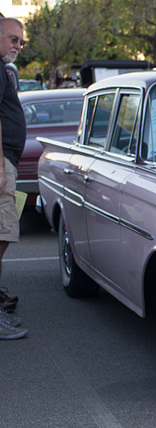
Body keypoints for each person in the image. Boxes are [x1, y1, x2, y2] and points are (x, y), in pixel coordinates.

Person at [0, 17, 27, 340]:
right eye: (12, 39)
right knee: (2, 235)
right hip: (3, 164)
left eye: (21, 40)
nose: (18, 45)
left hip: (8, 163)